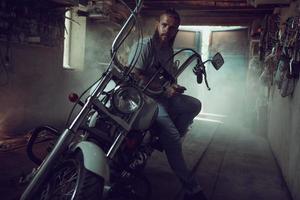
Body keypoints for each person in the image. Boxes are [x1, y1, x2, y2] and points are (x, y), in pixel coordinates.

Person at [128, 9, 207, 200]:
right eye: (164, 25)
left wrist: (172, 86)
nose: (167, 30)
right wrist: (165, 90)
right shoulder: (145, 45)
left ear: (176, 30)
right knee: (171, 135)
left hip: (161, 95)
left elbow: (164, 77)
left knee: (194, 105)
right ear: (158, 24)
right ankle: (191, 188)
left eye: (172, 28)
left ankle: (159, 138)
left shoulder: (168, 49)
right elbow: (135, 77)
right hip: (144, 99)